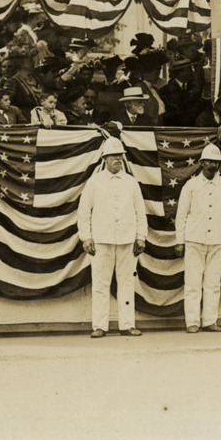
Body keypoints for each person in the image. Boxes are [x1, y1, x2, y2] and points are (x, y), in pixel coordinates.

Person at [76, 137, 148, 338]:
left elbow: (140, 211)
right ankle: (100, 326)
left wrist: (141, 236)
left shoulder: (131, 182)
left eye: (120, 156)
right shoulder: (95, 182)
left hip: (127, 239)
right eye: (113, 156)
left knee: (127, 282)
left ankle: (127, 325)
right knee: (100, 283)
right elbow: (84, 211)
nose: (117, 159)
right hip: (102, 239)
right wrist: (86, 237)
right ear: (105, 159)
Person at [174, 144, 221, 333]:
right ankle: (192, 322)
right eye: (209, 161)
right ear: (201, 163)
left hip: (218, 240)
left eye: (216, 162)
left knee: (213, 283)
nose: (212, 165)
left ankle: (210, 320)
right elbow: (181, 214)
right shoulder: (191, 185)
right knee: (193, 282)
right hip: (195, 240)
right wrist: (180, 241)